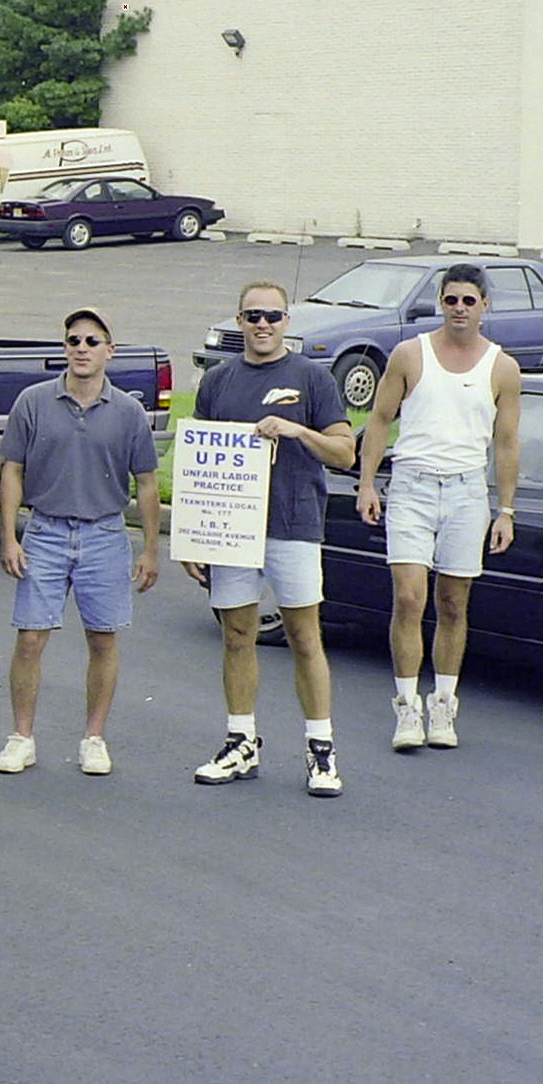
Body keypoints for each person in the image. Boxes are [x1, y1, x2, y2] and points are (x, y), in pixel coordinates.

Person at [181, 282, 356, 796]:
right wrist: (192, 539)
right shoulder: (218, 380)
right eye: (253, 315)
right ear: (239, 320)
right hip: (232, 529)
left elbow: (344, 451)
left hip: (293, 524)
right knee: (237, 635)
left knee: (304, 637)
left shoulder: (311, 378)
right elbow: (198, 461)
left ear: (287, 321)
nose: (263, 324)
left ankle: (321, 749)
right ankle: (241, 741)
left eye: (273, 316)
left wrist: (298, 431)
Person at [356, 262, 521, 752]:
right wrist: (367, 484)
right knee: (409, 598)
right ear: (440, 303)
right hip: (413, 486)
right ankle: (407, 706)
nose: (459, 309)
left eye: (469, 301)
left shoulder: (502, 368)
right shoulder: (411, 354)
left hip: (467, 492)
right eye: (451, 300)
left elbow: (507, 442)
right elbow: (380, 419)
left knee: (452, 602)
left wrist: (506, 509)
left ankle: (443, 704)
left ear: (485, 306)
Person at [0, 308, 161, 777]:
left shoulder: (128, 412)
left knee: (103, 639)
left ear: (110, 350)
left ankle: (94, 738)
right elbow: (12, 470)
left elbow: (147, 482)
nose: (82, 349)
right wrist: (9, 536)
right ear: (64, 347)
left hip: (105, 533)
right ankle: (21, 738)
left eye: (92, 341)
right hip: (45, 531)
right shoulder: (34, 401)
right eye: (73, 340)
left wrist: (151, 549)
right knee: (30, 637)